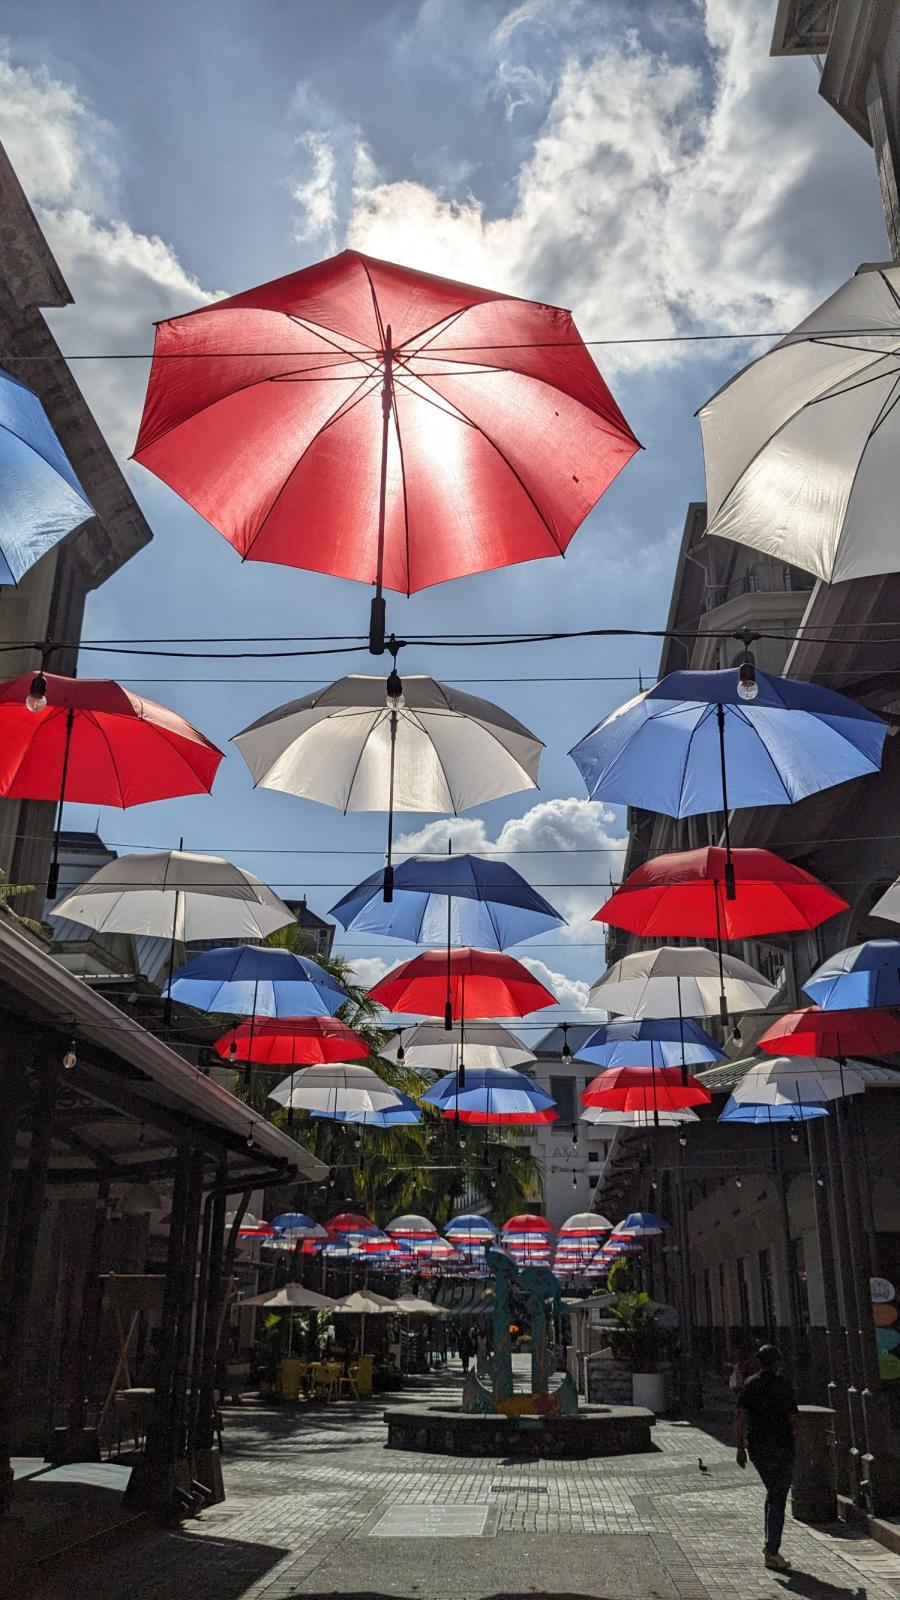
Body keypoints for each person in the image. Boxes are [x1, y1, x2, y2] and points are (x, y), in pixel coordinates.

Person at [734, 1344, 799, 1573]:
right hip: (780, 1446)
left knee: (773, 1493)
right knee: (778, 1497)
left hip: (758, 1449)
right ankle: (772, 1551)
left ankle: (769, 1545)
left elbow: (740, 1417)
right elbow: (793, 1418)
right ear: (776, 1363)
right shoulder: (783, 1385)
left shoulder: (750, 1385)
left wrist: (740, 1447)